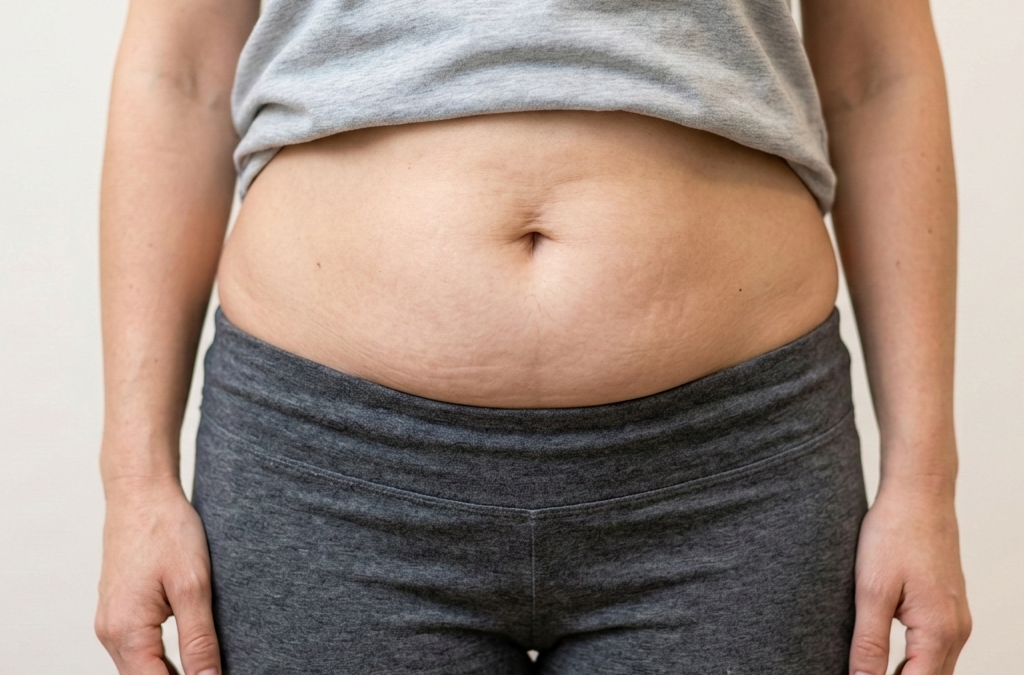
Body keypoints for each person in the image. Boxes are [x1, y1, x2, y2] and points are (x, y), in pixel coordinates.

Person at [94, 0, 971, 673]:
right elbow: (181, 72)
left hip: (728, 475)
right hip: (330, 466)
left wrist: (924, 485)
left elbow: (875, 73)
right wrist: (134, 480)